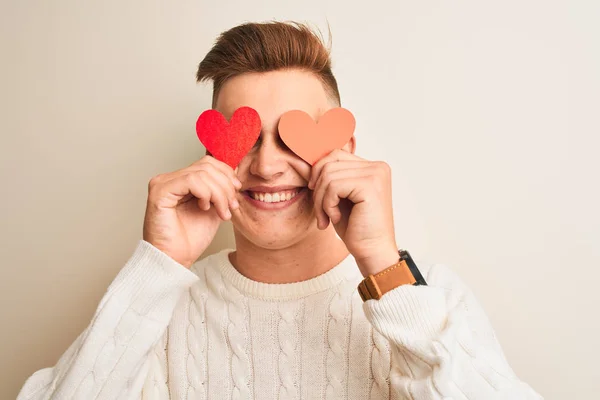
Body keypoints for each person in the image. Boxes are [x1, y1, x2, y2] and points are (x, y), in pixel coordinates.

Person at [17, 21, 542, 400]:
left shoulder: (430, 300)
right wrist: (156, 266)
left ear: (346, 151)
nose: (267, 166)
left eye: (292, 137)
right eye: (244, 138)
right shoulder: (157, 308)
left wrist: (385, 268)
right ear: (211, 154)